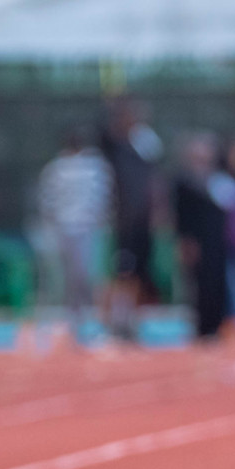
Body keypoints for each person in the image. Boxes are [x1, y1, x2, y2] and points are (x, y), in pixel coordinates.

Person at [37, 129, 112, 329]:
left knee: (86, 276)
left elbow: (103, 197)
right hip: (68, 227)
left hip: (85, 228)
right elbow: (48, 200)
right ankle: (74, 319)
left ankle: (90, 318)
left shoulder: (92, 167)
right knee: (71, 277)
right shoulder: (58, 169)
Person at [100, 99, 162, 341]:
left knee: (139, 274)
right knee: (121, 272)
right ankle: (115, 320)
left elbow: (154, 176)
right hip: (123, 222)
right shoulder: (116, 147)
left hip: (142, 222)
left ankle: (132, 322)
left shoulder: (144, 145)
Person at [172, 133, 233, 341]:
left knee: (218, 284)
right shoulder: (184, 182)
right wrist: (185, 242)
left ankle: (216, 326)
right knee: (198, 286)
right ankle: (202, 328)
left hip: (217, 242)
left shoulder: (218, 180)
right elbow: (181, 216)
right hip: (196, 242)